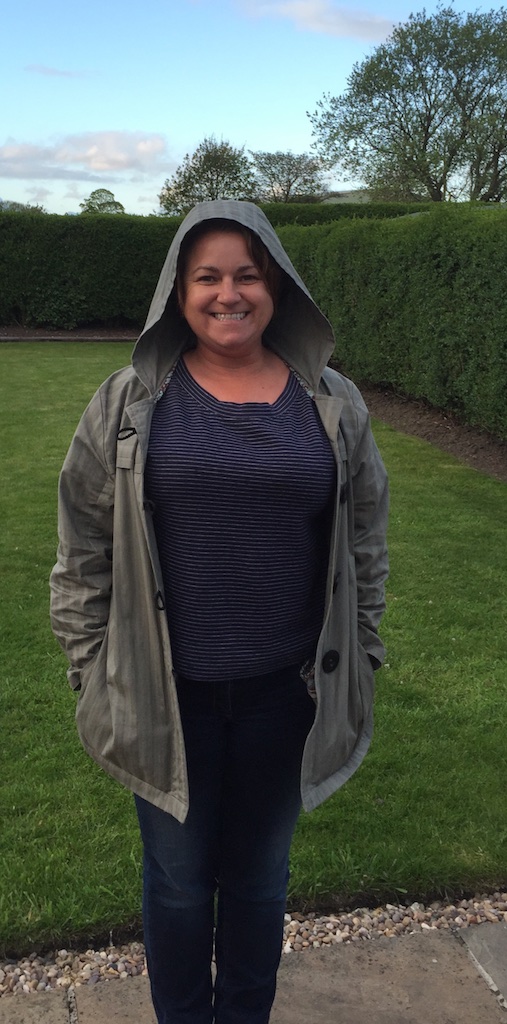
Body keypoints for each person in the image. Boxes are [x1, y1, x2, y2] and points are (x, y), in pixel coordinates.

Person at [50, 200, 389, 1024]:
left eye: (247, 275)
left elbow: (364, 543)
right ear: (178, 291)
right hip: (164, 697)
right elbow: (82, 546)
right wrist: (91, 667)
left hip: (287, 694)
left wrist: (363, 651)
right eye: (207, 277)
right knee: (175, 883)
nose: (228, 294)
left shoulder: (333, 403)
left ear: (277, 288)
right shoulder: (128, 402)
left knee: (260, 882)